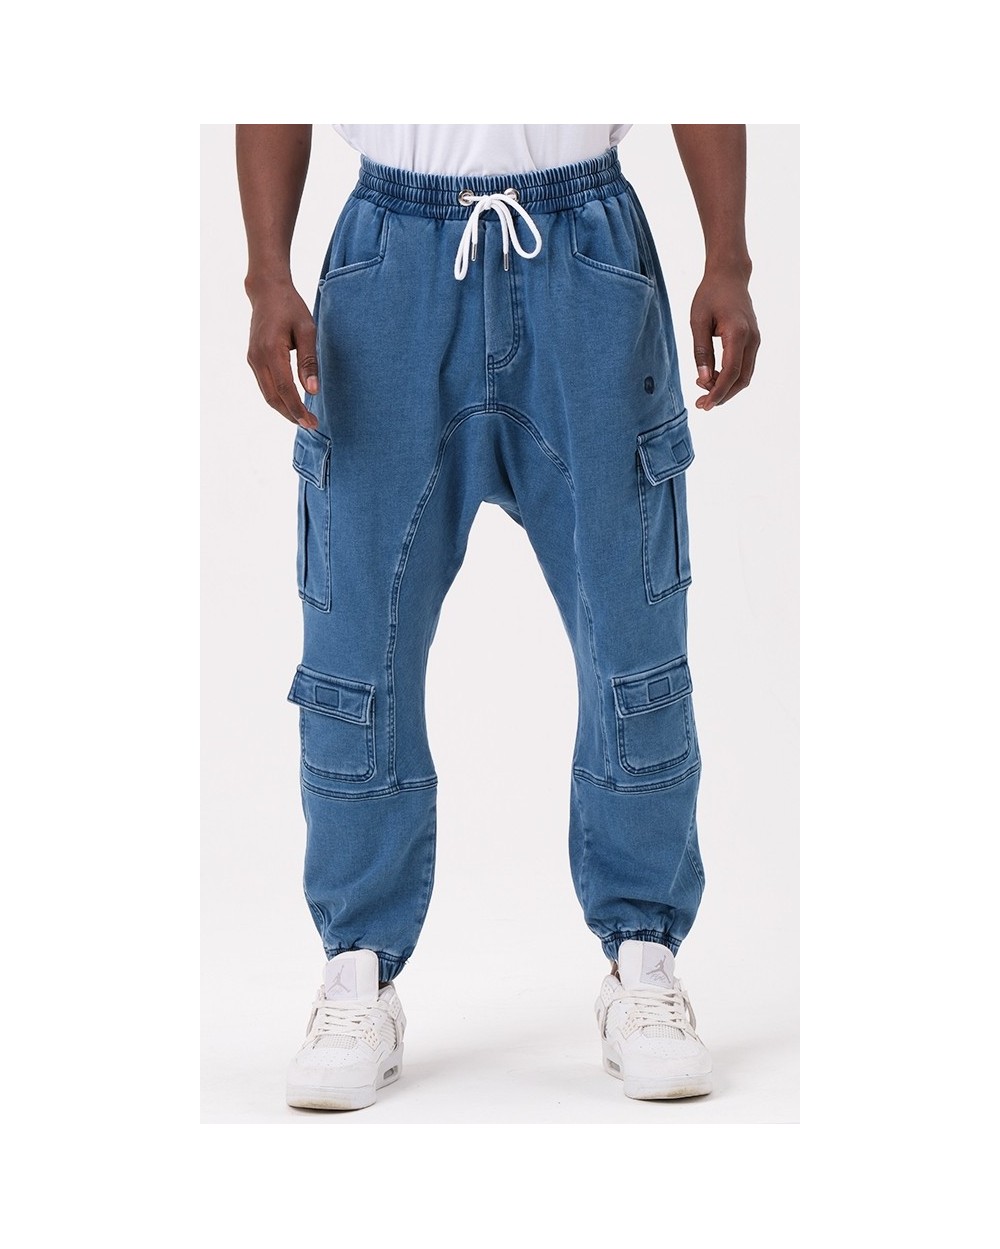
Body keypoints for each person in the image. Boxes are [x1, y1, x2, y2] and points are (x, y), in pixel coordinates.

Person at [236, 124, 760, 1110]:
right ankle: (356, 971)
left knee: (634, 631)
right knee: (356, 641)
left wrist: (726, 254)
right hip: (391, 257)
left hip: (586, 251)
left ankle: (643, 960)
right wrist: (267, 274)